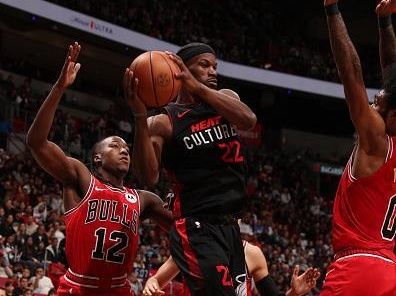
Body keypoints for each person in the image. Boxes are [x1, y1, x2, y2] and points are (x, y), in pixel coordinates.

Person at [26, 42, 173, 296]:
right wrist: (60, 87)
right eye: (115, 145)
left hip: (120, 290)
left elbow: (187, 230)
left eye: (126, 146)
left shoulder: (144, 199)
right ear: (97, 158)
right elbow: (36, 142)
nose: (124, 149)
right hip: (79, 287)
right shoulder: (80, 178)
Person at [126, 42, 257, 295]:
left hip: (231, 228)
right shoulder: (163, 122)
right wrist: (140, 117)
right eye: (205, 65)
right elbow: (148, 176)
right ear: (181, 70)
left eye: (215, 66)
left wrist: (195, 85)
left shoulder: (226, 101)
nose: (213, 72)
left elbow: (248, 120)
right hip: (198, 229)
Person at [321, 1, 396, 295]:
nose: (374, 101)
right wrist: (385, 22)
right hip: (390, 269)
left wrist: (332, 10)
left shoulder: (377, 140)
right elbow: (393, 74)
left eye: (379, 102)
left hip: (357, 268)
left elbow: (351, 73)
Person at [142, 240, 320, 296]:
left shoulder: (251, 253)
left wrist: (293, 293)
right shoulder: (193, 245)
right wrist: (152, 283)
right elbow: (156, 279)